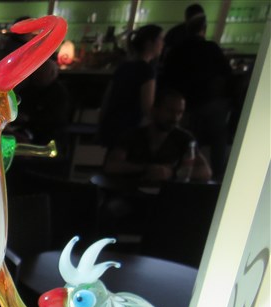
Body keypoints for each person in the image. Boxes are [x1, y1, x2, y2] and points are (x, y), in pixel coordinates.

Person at [159, 11, 234, 178]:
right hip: (211, 104)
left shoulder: (177, 50)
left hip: (185, 106)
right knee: (219, 138)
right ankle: (218, 178)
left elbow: (167, 78)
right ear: (204, 29)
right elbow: (227, 75)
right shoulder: (212, 48)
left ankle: (185, 176)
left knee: (188, 143)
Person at [103, 88, 211, 183]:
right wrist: (146, 168)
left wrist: (172, 173)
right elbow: (111, 166)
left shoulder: (184, 138)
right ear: (155, 110)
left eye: (180, 113)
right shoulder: (132, 135)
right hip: (132, 191)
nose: (175, 118)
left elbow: (205, 171)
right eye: (170, 111)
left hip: (168, 193)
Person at [98, 24, 163, 150]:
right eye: (160, 39)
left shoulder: (123, 67)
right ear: (150, 43)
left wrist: (101, 125)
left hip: (112, 125)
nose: (163, 43)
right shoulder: (147, 71)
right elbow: (147, 108)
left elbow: (107, 99)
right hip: (131, 129)